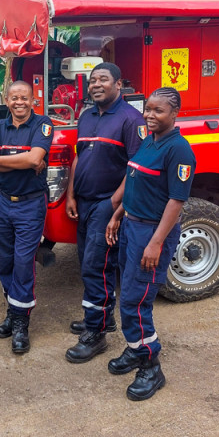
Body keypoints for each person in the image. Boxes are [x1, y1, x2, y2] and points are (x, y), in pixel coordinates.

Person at [105, 87, 196, 401]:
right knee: (128, 292)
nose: (150, 115)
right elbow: (134, 181)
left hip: (152, 234)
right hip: (131, 226)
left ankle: (151, 366)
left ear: (175, 114)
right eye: (148, 109)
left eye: (158, 111)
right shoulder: (149, 140)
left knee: (135, 301)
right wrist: (118, 214)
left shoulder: (179, 150)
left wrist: (156, 244)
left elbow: (176, 201)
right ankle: (135, 349)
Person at [64, 63, 145, 364]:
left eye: (104, 80)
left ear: (118, 84)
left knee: (95, 267)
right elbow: (78, 158)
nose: (96, 84)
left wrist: (114, 204)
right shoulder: (86, 116)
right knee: (90, 262)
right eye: (93, 80)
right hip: (83, 202)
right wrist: (71, 194)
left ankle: (95, 334)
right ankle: (102, 318)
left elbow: (136, 169)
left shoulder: (130, 119)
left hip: (105, 204)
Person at [0, 80, 54, 354]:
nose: (19, 102)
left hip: (30, 205)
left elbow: (35, 160)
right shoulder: (0, 127)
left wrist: (5, 160)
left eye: (24, 97)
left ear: (33, 99)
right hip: (2, 203)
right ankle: (13, 312)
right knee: (4, 261)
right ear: (6, 100)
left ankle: (21, 324)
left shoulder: (42, 124)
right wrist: (24, 160)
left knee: (24, 263)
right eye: (14, 98)